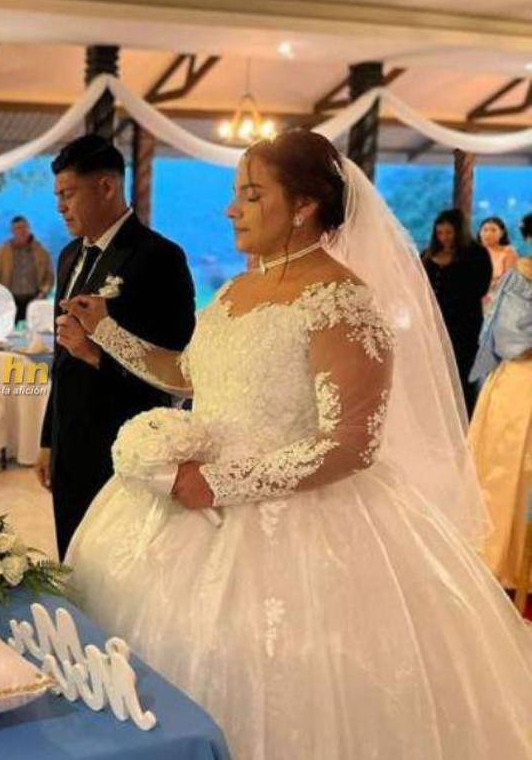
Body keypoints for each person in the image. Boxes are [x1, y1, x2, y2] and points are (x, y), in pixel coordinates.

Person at [64, 129, 532, 759]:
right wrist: (107, 336)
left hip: (304, 521)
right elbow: (190, 375)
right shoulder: (235, 290)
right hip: (188, 508)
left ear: (305, 205)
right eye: (236, 195)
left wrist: (218, 484)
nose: (232, 209)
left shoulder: (343, 303)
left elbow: (350, 445)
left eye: (252, 195)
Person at [37, 134, 195, 559]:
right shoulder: (69, 255)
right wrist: (48, 439)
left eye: (68, 194)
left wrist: (97, 358)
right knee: (70, 553)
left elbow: (179, 370)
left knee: (114, 563)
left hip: (122, 439)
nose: (60, 206)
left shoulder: (159, 258)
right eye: (57, 195)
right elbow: (60, 357)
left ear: (107, 187)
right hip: (69, 435)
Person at [468, 214, 532, 590]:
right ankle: (504, 569)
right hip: (521, 383)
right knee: (507, 474)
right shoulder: (520, 277)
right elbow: (509, 339)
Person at [422, 207, 492, 414]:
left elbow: (481, 287)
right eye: (440, 233)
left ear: (458, 232)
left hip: (464, 323)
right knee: (434, 369)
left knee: (462, 371)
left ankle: (464, 415)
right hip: (433, 322)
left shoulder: (476, 254)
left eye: (449, 233)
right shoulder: (428, 255)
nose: (444, 238)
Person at [0, 215, 54, 322]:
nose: (21, 231)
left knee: (33, 333)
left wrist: (43, 293)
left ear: (29, 228)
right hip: (10, 300)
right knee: (9, 332)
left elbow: (49, 276)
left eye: (24, 227)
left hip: (34, 299)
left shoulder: (41, 251)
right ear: (12, 231)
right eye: (18, 228)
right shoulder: (3, 252)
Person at [479, 215, 520, 311]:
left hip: (499, 297)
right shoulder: (474, 252)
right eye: (485, 230)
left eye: (493, 230)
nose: (488, 234)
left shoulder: (509, 252)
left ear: (501, 233)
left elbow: (509, 282)